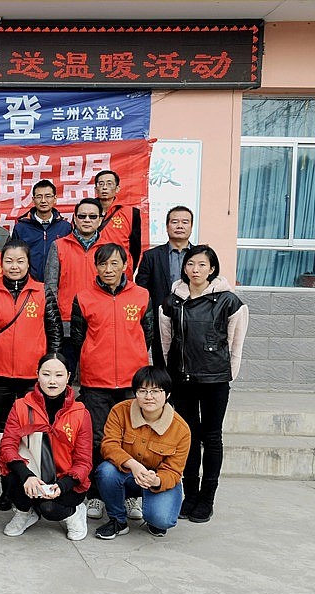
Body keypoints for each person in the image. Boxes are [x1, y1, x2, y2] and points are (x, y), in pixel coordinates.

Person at [159, 245, 248, 524]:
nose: (195, 270)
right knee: (188, 437)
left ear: (212, 269)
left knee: (212, 437)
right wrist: (171, 373)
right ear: (184, 268)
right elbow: (166, 343)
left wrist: (227, 374)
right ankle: (190, 495)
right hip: (182, 380)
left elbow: (235, 344)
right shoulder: (172, 301)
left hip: (215, 380)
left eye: (201, 265)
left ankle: (207, 498)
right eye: (190, 264)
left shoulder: (229, 301)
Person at [70, 243, 152, 521]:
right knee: (97, 439)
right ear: (96, 267)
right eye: (103, 264)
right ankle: (96, 494)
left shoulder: (141, 295)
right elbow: (78, 338)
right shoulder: (84, 298)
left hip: (132, 383)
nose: (108, 269)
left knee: (133, 439)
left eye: (114, 263)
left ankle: (130, 496)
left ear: (125, 265)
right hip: (96, 381)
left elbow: (148, 334)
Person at [0, 353, 92, 540]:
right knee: (9, 477)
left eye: (59, 375)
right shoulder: (20, 406)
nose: (52, 381)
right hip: (31, 473)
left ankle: (75, 513)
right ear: (37, 374)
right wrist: (27, 476)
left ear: (68, 377)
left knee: (50, 509)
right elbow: (7, 446)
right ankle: (25, 512)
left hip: (64, 479)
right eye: (46, 374)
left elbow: (84, 461)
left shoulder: (81, 413)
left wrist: (63, 485)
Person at [0, 240, 62, 433]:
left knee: (33, 425)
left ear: (28, 264)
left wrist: (52, 368)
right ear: (1, 264)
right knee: (2, 427)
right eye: (9, 261)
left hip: (34, 374)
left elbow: (55, 333)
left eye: (20, 261)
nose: (14, 266)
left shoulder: (43, 292)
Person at [94, 366, 191, 539]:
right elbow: (109, 445)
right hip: (127, 473)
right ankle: (118, 520)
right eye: (142, 391)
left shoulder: (181, 429)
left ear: (167, 394)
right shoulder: (119, 411)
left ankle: (153, 517)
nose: (148, 396)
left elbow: (174, 470)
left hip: (157, 479)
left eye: (155, 391)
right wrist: (133, 465)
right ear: (135, 393)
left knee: (162, 520)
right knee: (106, 471)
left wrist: (156, 480)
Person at [43, 198, 106, 377]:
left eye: (92, 216)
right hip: (66, 321)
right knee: (65, 374)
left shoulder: (108, 248)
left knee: (94, 375)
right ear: (75, 219)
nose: (87, 220)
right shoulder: (59, 246)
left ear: (100, 220)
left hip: (99, 322)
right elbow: (50, 286)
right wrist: (54, 320)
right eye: (82, 216)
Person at [135, 206, 194, 367]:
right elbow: (141, 291)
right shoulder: (151, 256)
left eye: (185, 222)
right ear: (167, 226)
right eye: (174, 222)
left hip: (193, 320)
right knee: (162, 367)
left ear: (191, 227)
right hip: (161, 321)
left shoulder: (200, 255)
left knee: (191, 365)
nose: (180, 226)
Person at [11, 179, 72, 281]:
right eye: (39, 197)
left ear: (55, 199)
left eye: (48, 196)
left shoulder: (65, 227)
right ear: (33, 199)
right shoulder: (21, 227)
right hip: (29, 283)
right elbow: (15, 256)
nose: (43, 201)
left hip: (58, 283)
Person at [94, 170, 142, 275]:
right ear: (96, 189)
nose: (104, 187)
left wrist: (128, 270)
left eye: (109, 183)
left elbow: (135, 249)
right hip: (92, 267)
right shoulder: (85, 212)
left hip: (120, 271)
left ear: (117, 188)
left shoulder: (131, 213)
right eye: (101, 184)